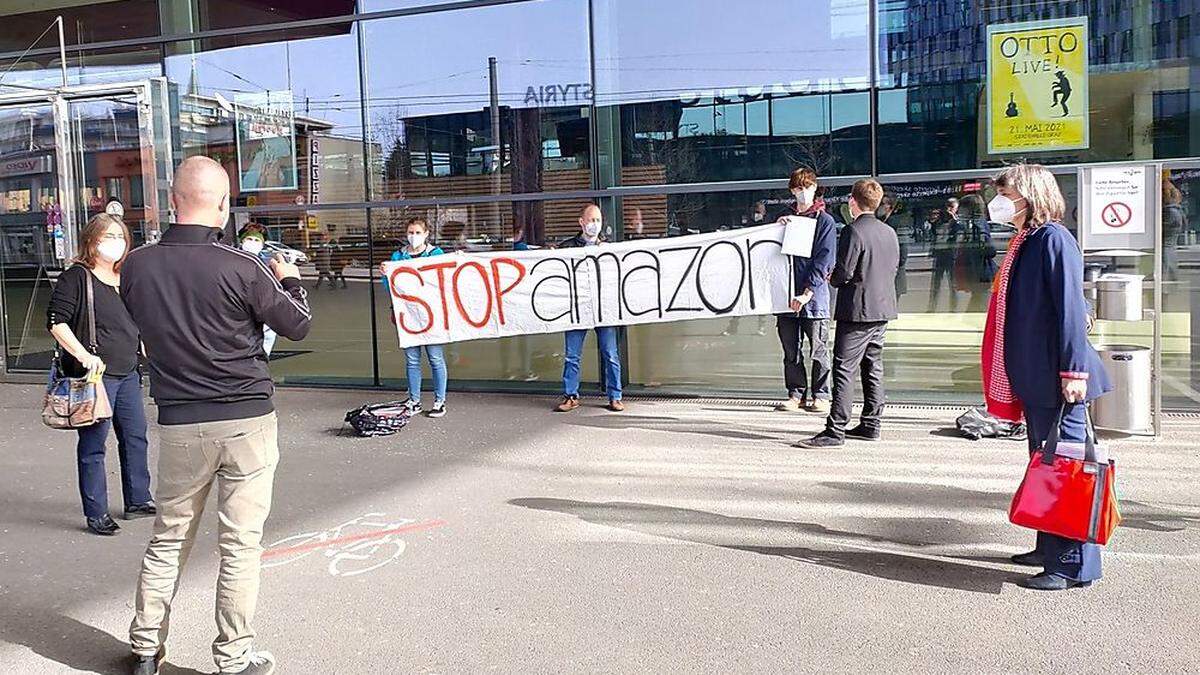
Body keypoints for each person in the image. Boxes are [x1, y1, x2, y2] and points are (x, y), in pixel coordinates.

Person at [121, 156, 311, 675]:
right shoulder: (242, 266)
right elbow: (297, 327)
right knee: (240, 545)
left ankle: (144, 648)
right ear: (224, 205)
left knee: (169, 536)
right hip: (246, 418)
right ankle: (232, 658)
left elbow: (139, 325)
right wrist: (290, 280)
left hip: (181, 420)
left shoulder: (137, 265)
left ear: (173, 199)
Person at [982, 163, 1112, 591]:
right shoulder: (1026, 241)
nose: (999, 200)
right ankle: (1048, 542)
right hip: (1038, 376)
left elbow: (1070, 311)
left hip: (1059, 378)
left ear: (1029, 196)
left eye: (1006, 192)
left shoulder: (1053, 239)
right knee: (1047, 460)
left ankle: (1072, 564)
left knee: (1067, 468)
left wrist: (1073, 370)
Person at [47, 213, 154, 537]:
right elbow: (56, 321)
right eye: (107, 237)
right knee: (94, 445)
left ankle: (138, 499)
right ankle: (96, 513)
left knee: (135, 438)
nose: (115, 243)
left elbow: (137, 322)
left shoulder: (127, 278)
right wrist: (83, 355)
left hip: (128, 372)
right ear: (91, 241)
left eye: (120, 237)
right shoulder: (77, 277)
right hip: (97, 377)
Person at [796, 179, 899, 448]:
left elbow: (843, 273)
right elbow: (894, 269)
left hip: (856, 311)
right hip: (882, 309)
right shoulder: (889, 232)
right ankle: (871, 424)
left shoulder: (854, 232)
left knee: (844, 368)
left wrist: (833, 278)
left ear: (853, 202)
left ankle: (835, 430)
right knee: (873, 367)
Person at [774, 168, 837, 414]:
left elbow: (825, 260)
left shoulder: (825, 221)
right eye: (798, 188)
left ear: (815, 188)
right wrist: (775, 229)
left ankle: (821, 395)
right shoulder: (784, 218)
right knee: (791, 349)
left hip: (814, 298)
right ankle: (795, 393)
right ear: (792, 190)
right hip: (787, 296)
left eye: (807, 187)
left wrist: (808, 291)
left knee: (819, 349)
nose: (803, 193)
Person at [554, 204, 623, 413]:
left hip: (604, 309)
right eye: (591, 220)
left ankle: (615, 396)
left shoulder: (610, 249)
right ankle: (571, 395)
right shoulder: (567, 248)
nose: (595, 225)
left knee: (610, 353)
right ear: (581, 222)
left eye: (598, 221)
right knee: (572, 355)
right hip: (577, 308)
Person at [378, 217, 448, 417]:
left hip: (431, 315)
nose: (413, 236)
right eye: (411, 232)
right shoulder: (398, 256)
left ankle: (439, 401)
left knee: (435, 358)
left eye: (418, 232)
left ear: (426, 234)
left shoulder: (436, 254)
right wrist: (385, 274)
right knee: (412, 360)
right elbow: (389, 287)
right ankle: (414, 400)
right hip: (407, 315)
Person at [238, 223, 278, 356]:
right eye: (249, 239)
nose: (252, 243)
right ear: (242, 240)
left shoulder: (267, 265)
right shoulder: (229, 260)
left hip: (260, 311)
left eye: (257, 240)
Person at [927, 197, 962, 312]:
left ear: (956, 208)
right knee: (936, 284)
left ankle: (953, 309)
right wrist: (934, 221)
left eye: (952, 207)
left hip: (951, 256)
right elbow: (934, 233)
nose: (949, 209)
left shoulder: (958, 221)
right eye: (947, 206)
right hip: (940, 254)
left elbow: (960, 233)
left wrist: (954, 220)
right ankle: (932, 308)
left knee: (953, 284)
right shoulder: (940, 220)